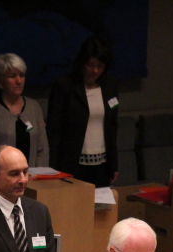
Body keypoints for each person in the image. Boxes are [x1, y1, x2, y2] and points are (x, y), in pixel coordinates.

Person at [47, 36, 119, 187]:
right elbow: (54, 130)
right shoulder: (65, 86)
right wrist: (53, 168)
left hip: (102, 165)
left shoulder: (110, 86)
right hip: (72, 164)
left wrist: (114, 164)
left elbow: (112, 126)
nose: (95, 70)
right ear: (82, 63)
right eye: (90, 65)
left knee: (100, 208)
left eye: (100, 66)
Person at [0, 53, 49, 180]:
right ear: (0, 80)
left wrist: (36, 176)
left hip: (31, 182)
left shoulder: (34, 107)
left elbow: (43, 149)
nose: (19, 81)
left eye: (22, 75)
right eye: (12, 76)